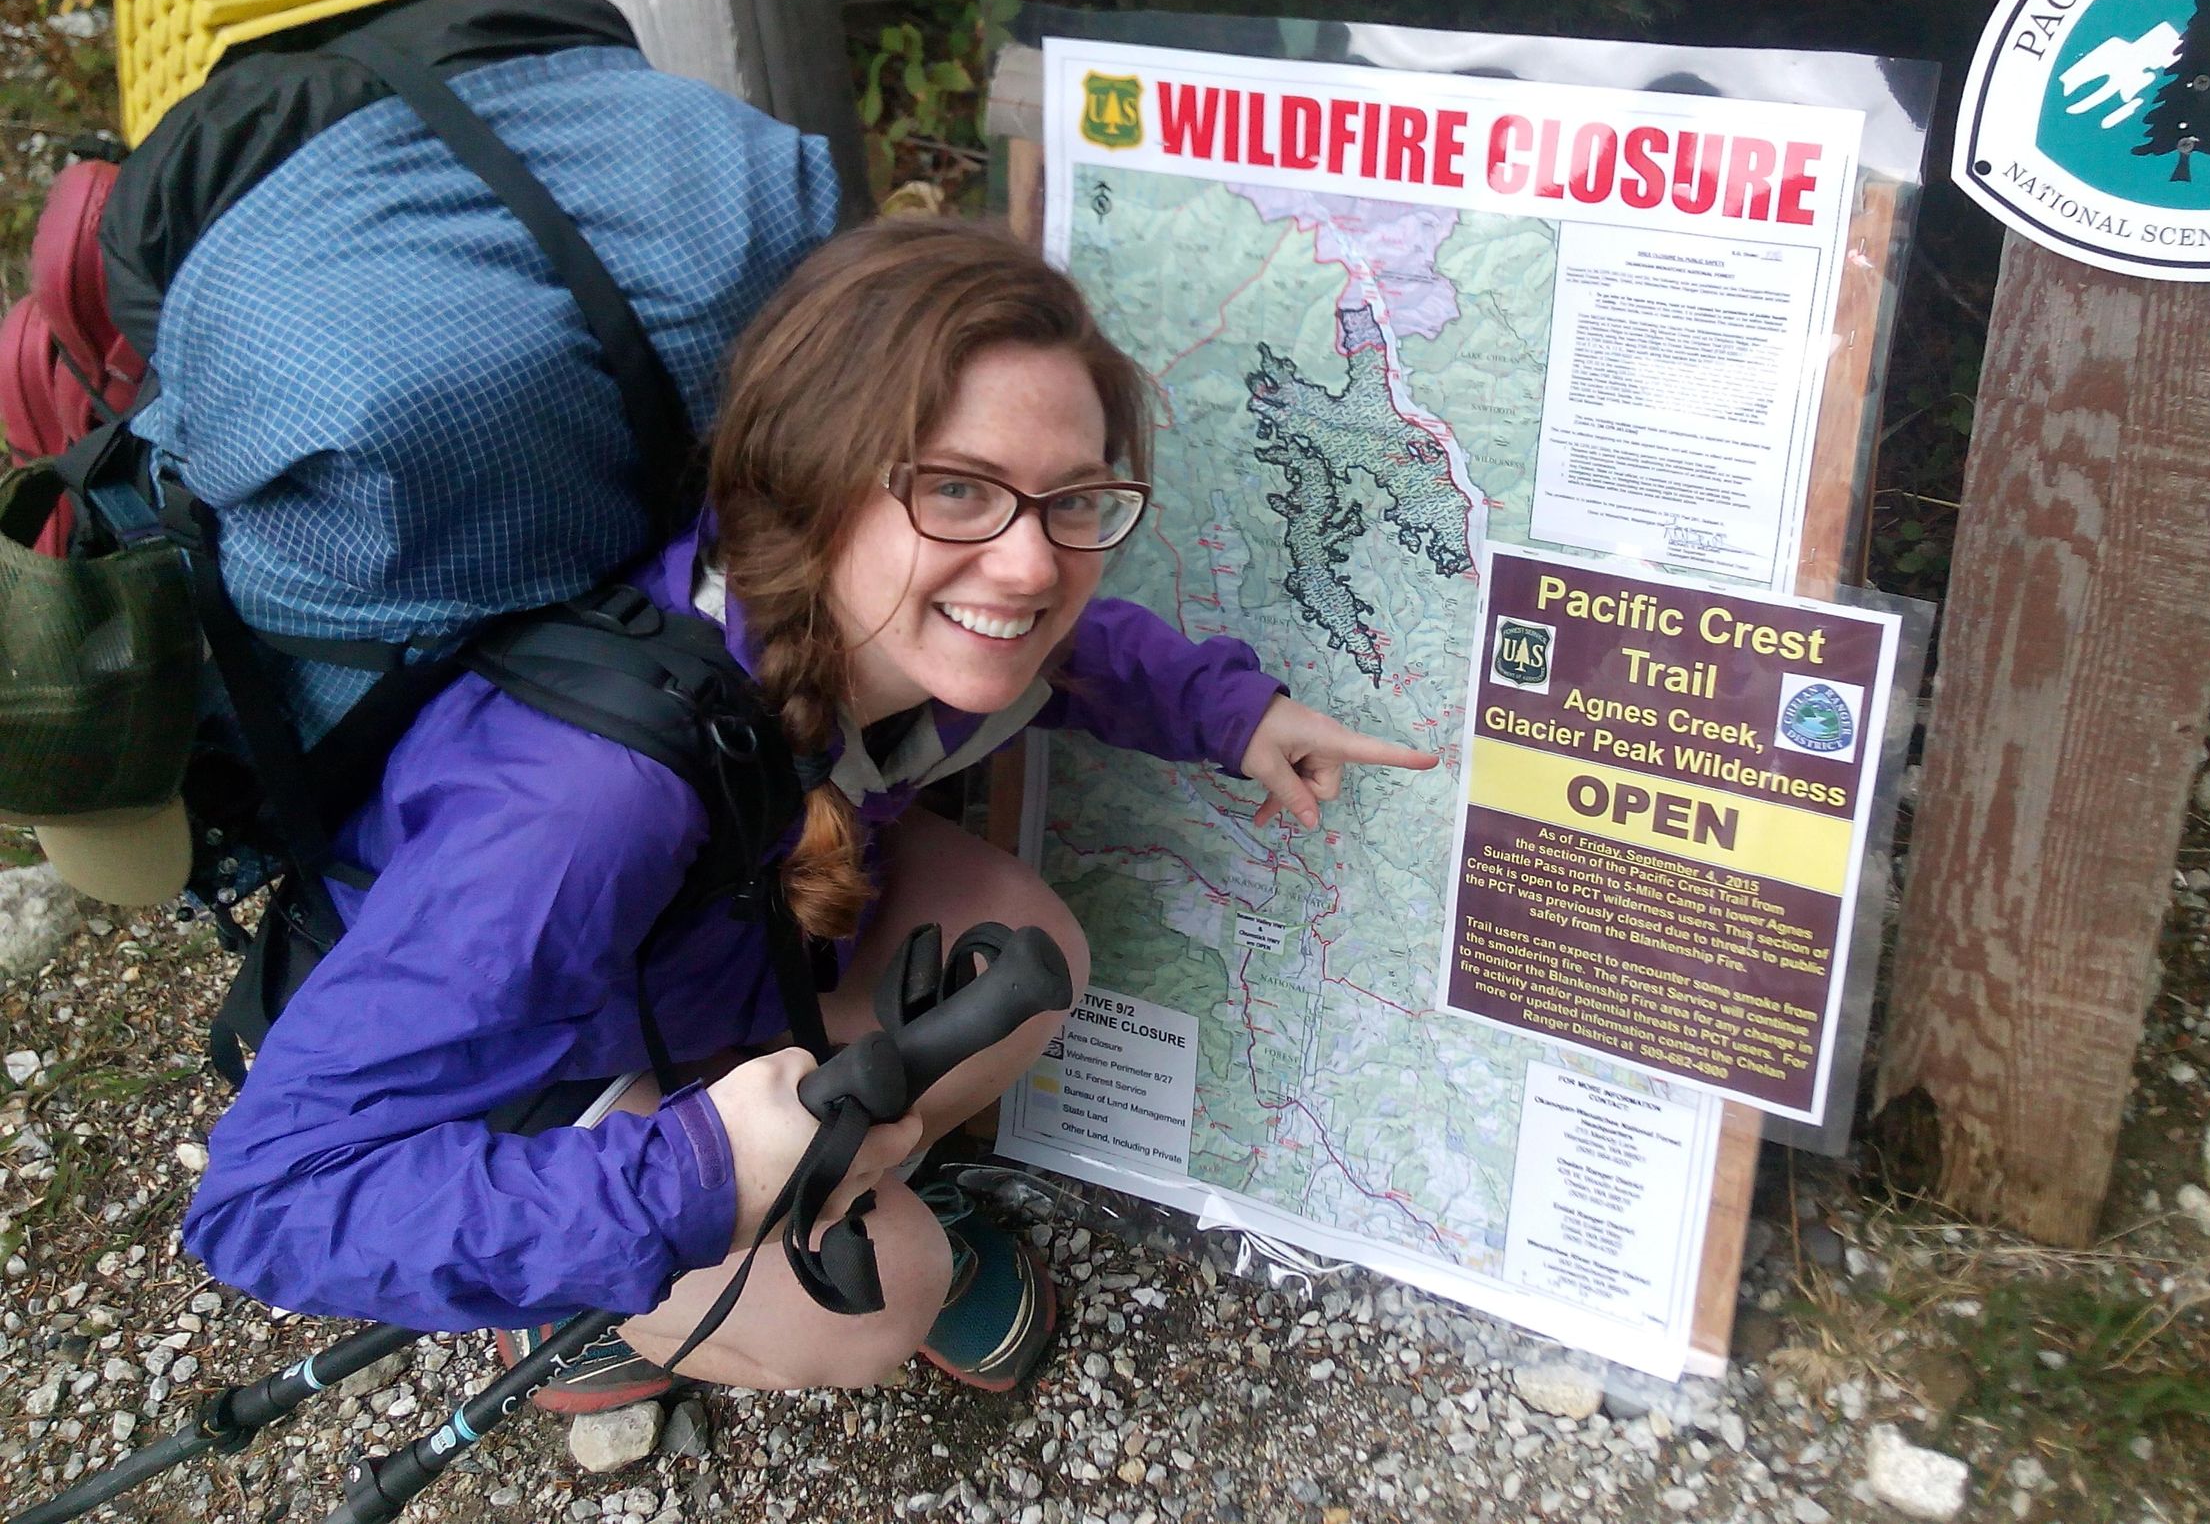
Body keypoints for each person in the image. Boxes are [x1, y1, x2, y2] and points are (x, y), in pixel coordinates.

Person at [181, 216, 1439, 1407]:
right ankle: (579, 1294)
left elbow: (1066, 644)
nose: (1033, 561)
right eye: (956, 490)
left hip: (717, 957)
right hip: (541, 1073)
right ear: (816, 477)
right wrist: (693, 1173)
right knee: (880, 1300)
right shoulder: (579, 803)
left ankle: (820, 1190)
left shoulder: (893, 621)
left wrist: (1233, 716)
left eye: (1074, 501)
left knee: (1028, 960)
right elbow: (264, 1203)